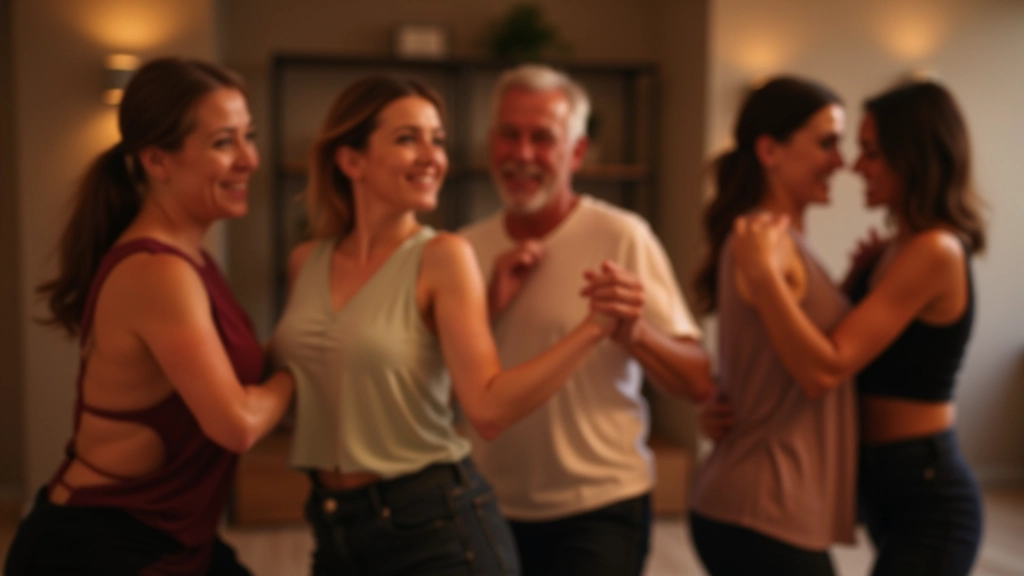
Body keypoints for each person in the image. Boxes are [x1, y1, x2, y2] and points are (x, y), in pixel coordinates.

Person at [270, 75, 618, 576]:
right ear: (351, 161)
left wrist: (594, 328)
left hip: (430, 522)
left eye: (437, 139)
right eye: (408, 138)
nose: (432, 156)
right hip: (334, 523)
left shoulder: (444, 256)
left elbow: (489, 408)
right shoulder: (306, 262)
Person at [4, 57, 295, 576]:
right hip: (100, 548)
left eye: (248, 136)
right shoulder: (158, 273)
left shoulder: (193, 259)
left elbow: (234, 377)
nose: (249, 158)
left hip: (174, 538)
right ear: (158, 161)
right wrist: (295, 378)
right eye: (223, 142)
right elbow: (239, 425)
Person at [458, 64, 715, 576]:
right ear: (492, 144)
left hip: (601, 506)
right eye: (510, 135)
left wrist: (633, 331)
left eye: (543, 138)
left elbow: (697, 379)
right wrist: (485, 306)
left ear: (576, 152)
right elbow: (435, 384)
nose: (523, 154)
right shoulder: (462, 250)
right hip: (488, 504)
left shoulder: (623, 236)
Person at [731, 80, 985, 576]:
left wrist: (764, 279)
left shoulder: (936, 251)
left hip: (927, 489)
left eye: (871, 152)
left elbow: (827, 366)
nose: (855, 166)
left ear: (912, 156)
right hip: (887, 484)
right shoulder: (894, 250)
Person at [688, 76, 859, 576]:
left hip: (758, 499)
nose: (840, 161)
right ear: (770, 150)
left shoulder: (776, 241)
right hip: (763, 507)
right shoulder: (765, 242)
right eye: (826, 142)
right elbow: (818, 371)